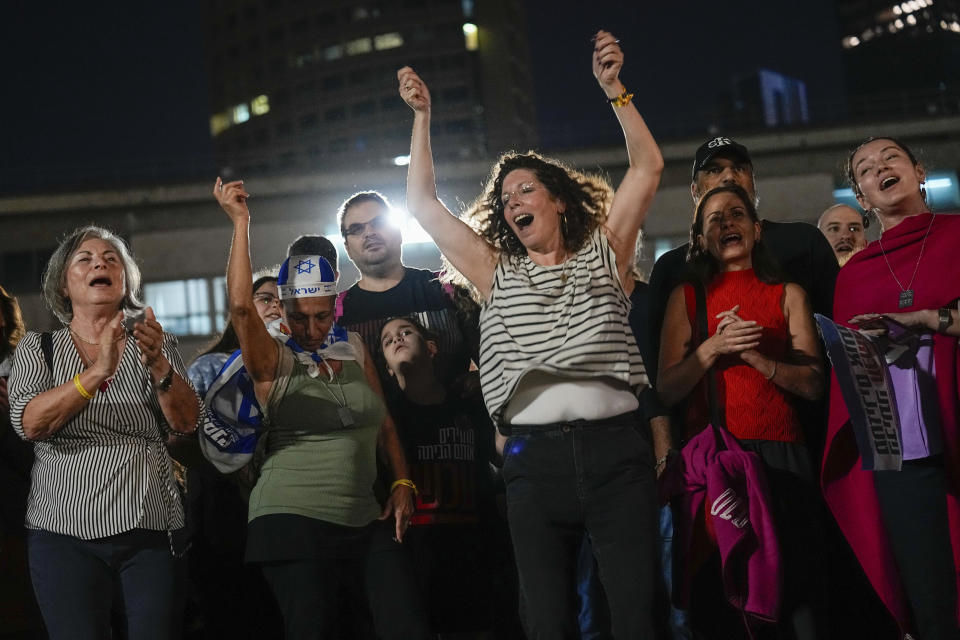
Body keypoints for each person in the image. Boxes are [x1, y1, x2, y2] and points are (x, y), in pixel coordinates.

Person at [400, 29, 663, 637]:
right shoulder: (494, 272)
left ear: (559, 203)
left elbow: (647, 167)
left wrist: (614, 90)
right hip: (532, 462)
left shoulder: (605, 252)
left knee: (636, 615)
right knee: (545, 622)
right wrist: (422, 117)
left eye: (526, 189)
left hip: (615, 456)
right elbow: (421, 203)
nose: (513, 199)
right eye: (506, 195)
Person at [213, 178, 429, 640]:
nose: (311, 327)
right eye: (299, 316)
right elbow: (240, 308)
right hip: (292, 518)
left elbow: (384, 420)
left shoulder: (352, 347)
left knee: (407, 624)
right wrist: (240, 222)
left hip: (364, 517)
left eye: (322, 314)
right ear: (285, 309)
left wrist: (403, 480)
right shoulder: (271, 357)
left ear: (336, 304)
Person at [8, 225, 200, 640]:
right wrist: (97, 373)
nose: (101, 263)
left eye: (112, 259)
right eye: (86, 259)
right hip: (63, 534)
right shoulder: (38, 347)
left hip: (150, 528)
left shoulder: (157, 342)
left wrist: (161, 368)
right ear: (64, 282)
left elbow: (186, 423)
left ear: (126, 279)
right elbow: (30, 423)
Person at [657, 184, 826, 639]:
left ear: (756, 228)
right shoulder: (687, 297)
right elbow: (666, 389)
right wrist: (713, 348)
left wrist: (758, 359)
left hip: (782, 458)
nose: (726, 223)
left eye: (736, 214)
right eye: (713, 219)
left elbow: (813, 384)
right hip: (717, 462)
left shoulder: (789, 293)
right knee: (721, 599)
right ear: (700, 239)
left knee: (795, 594)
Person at [822, 136, 960, 639]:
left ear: (918, 170)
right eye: (865, 168)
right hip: (905, 451)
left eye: (890, 158)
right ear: (862, 196)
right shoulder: (855, 275)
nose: (879, 168)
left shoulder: (957, 234)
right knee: (932, 599)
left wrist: (927, 319)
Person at [378, 316, 511, 637]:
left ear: (432, 347)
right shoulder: (387, 423)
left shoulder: (468, 406)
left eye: (406, 332)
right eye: (386, 339)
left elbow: (503, 453)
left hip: (474, 553)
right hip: (416, 558)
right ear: (386, 368)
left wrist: (488, 385)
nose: (397, 339)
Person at [183, 270, 282, 639]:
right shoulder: (210, 366)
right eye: (265, 298)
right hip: (226, 516)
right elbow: (186, 435)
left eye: (282, 300)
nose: (275, 306)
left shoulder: (304, 365)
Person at [334, 191, 479, 392]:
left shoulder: (447, 287)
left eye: (378, 222)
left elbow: (493, 360)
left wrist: (479, 380)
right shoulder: (336, 313)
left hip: (461, 420)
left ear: (399, 231)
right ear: (347, 248)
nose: (369, 233)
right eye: (357, 229)